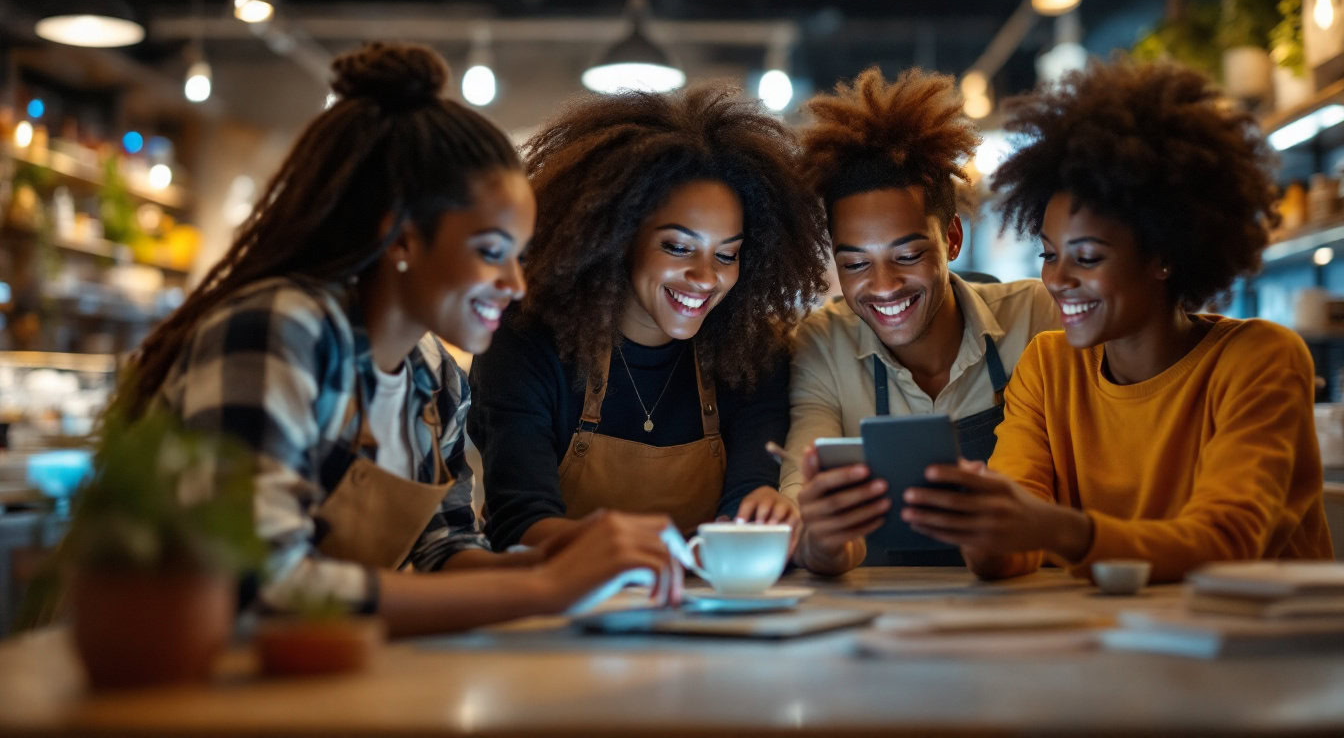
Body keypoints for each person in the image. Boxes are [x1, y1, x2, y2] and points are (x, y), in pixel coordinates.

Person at [111, 42, 677, 637]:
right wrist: (542, 588)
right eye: (490, 253)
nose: (514, 284)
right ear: (402, 239)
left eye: (518, 257)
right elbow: (254, 583)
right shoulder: (280, 329)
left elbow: (441, 550)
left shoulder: (434, 378)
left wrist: (562, 560)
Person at [903, 57, 1333, 582]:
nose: (1058, 279)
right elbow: (1009, 555)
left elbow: (1227, 543)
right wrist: (980, 523)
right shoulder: (1048, 367)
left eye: (1086, 258)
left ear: (1164, 256)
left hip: (1262, 651)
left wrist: (1062, 530)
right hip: (1119, 649)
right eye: (1049, 254)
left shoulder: (1259, 359)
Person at [468, 85, 831, 551]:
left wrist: (767, 511)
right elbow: (520, 522)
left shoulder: (752, 356)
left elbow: (746, 504)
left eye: (727, 254)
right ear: (615, 236)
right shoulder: (525, 343)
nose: (705, 277)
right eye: (677, 247)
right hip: (556, 610)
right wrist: (631, 553)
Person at [782, 67, 1058, 574]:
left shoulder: (1041, 317)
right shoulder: (822, 344)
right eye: (856, 264)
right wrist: (820, 538)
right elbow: (801, 498)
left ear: (951, 239)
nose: (884, 286)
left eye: (907, 256)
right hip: (880, 626)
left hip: (1032, 605)